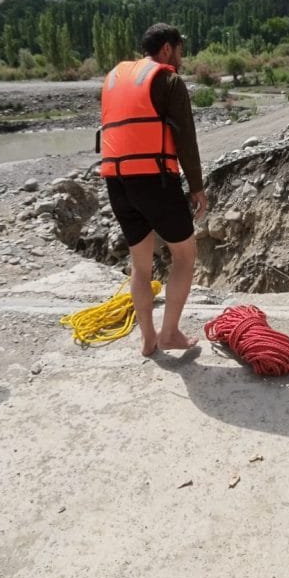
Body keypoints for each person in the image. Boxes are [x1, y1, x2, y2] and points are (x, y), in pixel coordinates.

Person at [101, 23, 207, 357]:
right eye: (180, 49)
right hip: (154, 180)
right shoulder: (169, 80)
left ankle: (148, 339)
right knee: (185, 256)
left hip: (116, 181)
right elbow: (185, 139)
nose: (181, 56)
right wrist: (197, 188)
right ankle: (170, 332)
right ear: (166, 49)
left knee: (141, 264)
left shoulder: (114, 77)